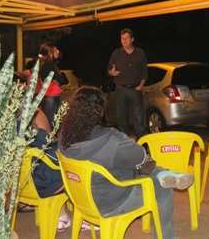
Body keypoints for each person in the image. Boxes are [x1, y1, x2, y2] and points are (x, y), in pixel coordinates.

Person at [58, 86, 193, 239]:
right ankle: (166, 236)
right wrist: (129, 143)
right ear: (100, 111)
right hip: (112, 201)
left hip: (80, 198)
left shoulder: (64, 135)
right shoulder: (112, 139)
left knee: (131, 165)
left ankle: (165, 173)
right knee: (161, 185)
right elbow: (142, 161)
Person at [108, 28, 148, 138]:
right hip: (121, 89)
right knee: (122, 118)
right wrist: (112, 72)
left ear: (132, 39)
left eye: (126, 38)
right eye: (122, 38)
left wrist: (141, 85)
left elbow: (145, 71)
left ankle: (142, 144)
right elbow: (109, 69)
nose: (124, 41)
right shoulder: (116, 53)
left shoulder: (140, 53)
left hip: (136, 89)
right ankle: (125, 144)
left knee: (139, 118)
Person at [38, 42, 68, 129]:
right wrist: (59, 78)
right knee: (50, 123)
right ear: (50, 52)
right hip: (50, 96)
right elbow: (60, 78)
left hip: (51, 95)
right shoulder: (48, 64)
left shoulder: (46, 64)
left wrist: (59, 78)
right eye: (55, 50)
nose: (58, 51)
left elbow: (61, 79)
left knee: (51, 121)